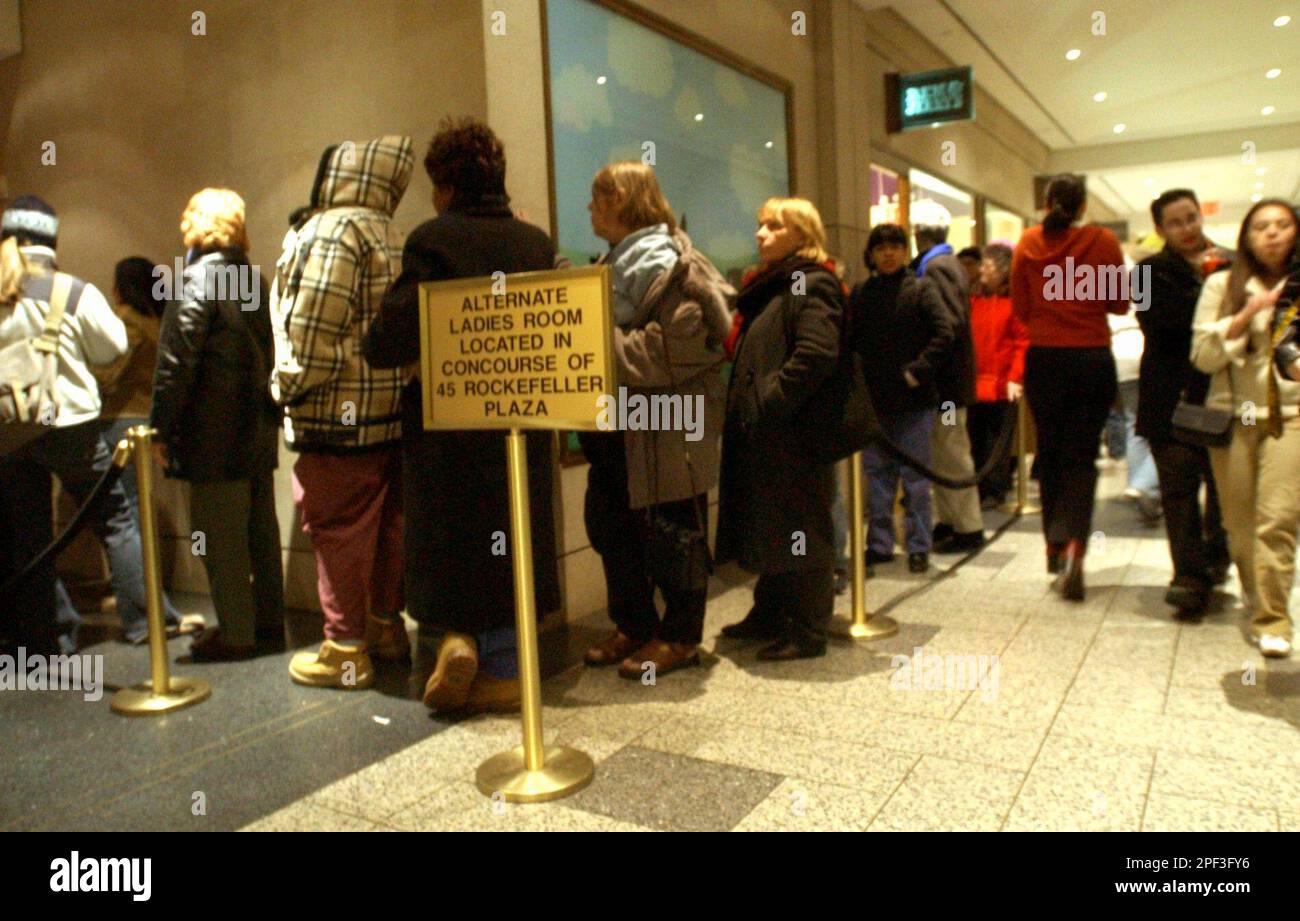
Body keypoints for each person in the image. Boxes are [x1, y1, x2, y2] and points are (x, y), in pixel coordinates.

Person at [363, 118, 561, 713]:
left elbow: (384, 343)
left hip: (448, 431)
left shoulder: (434, 240)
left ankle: (454, 638)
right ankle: (502, 666)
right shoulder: (535, 244)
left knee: (450, 538)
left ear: (444, 186)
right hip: (520, 426)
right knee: (511, 535)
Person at [578, 161, 732, 679]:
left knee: (675, 535)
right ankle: (635, 624)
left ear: (621, 199)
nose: (589, 209)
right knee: (611, 527)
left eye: (597, 199)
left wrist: (590, 346)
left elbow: (673, 351)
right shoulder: (616, 264)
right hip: (617, 430)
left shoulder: (671, 267)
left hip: (666, 429)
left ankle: (680, 637)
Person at [271, 136, 412, 690]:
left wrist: (285, 387)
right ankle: (384, 628)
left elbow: (313, 331)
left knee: (339, 532)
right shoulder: (392, 230)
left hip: (337, 415)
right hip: (393, 414)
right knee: (389, 529)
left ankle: (345, 650)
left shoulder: (333, 229)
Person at [151, 188, 283, 661]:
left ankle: (237, 634)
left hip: (212, 435)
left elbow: (175, 362)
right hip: (256, 430)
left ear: (195, 224)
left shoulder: (192, 281)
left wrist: (159, 429)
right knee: (260, 534)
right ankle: (269, 625)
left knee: (219, 539)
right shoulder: (255, 280)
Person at [0, 196, 134, 654]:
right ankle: (144, 624)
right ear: (52, 241)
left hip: (10, 431)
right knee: (115, 517)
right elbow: (112, 347)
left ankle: (44, 634)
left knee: (27, 533)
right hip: (72, 423)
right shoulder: (72, 291)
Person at [716, 197, 841, 660]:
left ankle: (809, 630)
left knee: (800, 527)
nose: (760, 233)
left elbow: (816, 354)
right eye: (760, 223)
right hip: (769, 435)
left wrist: (770, 401)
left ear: (801, 236)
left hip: (793, 435)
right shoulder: (775, 286)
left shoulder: (813, 284)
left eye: (774, 226)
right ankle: (769, 611)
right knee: (771, 523)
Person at [55, 257, 203, 642]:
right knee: (131, 521)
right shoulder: (160, 319)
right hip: (141, 424)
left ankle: (141, 614)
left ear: (121, 287)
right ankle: (152, 610)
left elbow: (105, 376)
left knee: (120, 523)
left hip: (113, 424)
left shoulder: (125, 319)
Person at [1011, 174, 1128, 600]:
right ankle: (1077, 540)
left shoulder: (1027, 243)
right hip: (1092, 359)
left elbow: (1021, 309)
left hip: (1045, 360)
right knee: (1082, 454)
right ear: (1081, 206)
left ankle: (1054, 544)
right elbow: (1121, 303)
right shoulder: (1104, 241)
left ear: (1046, 203)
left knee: (1050, 450)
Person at [1191, 199, 1299, 657]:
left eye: (1282, 225)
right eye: (1261, 227)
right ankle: (1257, 599)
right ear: (1247, 237)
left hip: (1291, 415)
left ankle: (1273, 618)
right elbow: (1202, 356)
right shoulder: (1222, 283)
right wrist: (1246, 313)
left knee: (1277, 518)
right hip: (1234, 417)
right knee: (1239, 523)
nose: (1272, 234)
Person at [1135, 189, 1231, 614]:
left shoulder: (1230, 263)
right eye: (1176, 222)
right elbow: (1160, 321)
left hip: (1221, 398)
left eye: (1192, 218)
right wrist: (1212, 295)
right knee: (1178, 492)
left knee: (1224, 491)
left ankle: (1217, 557)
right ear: (1161, 230)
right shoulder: (1147, 271)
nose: (1188, 228)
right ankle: (1189, 577)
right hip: (1167, 402)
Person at [852, 223, 952, 574]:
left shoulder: (922, 289)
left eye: (895, 246)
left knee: (916, 480)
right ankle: (879, 544)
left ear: (904, 251)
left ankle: (918, 546)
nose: (888, 253)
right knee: (876, 478)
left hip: (914, 402)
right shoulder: (861, 293)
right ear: (872, 254)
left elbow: (945, 332)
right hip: (875, 405)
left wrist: (917, 371)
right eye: (881, 248)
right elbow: (852, 344)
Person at [911, 200, 984, 554]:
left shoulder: (936, 267)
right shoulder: (947, 263)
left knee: (951, 453)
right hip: (951, 383)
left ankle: (968, 526)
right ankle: (952, 521)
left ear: (917, 234)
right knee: (945, 452)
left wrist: (923, 365)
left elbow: (947, 326)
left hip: (947, 385)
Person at [966, 243, 1027, 509]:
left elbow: (1022, 342)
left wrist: (1016, 377)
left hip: (1002, 383)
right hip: (975, 382)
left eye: (987, 266)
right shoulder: (974, 300)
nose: (981, 271)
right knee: (976, 438)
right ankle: (980, 486)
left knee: (997, 441)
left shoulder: (1014, 304)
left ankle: (995, 488)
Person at [1110, 288, 1161, 523]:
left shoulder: (1110, 301)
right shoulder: (1149, 298)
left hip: (1120, 362)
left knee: (1134, 426)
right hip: (1145, 359)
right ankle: (1144, 485)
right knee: (1161, 429)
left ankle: (1140, 491)